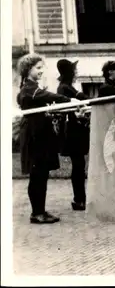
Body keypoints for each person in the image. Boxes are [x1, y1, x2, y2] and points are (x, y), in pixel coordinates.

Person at [16, 53, 74, 224]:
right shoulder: (29, 89)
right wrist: (69, 99)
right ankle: (36, 213)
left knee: (42, 174)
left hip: (40, 134)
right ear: (28, 69)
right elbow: (48, 96)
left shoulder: (33, 88)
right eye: (38, 68)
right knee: (37, 174)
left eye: (42, 67)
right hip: (34, 136)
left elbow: (45, 102)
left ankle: (40, 210)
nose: (41, 71)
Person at [56, 59, 90, 211]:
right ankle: (79, 199)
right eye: (74, 71)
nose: (77, 74)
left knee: (79, 165)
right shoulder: (65, 88)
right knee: (78, 165)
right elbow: (82, 99)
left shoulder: (67, 87)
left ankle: (80, 198)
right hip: (72, 131)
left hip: (75, 129)